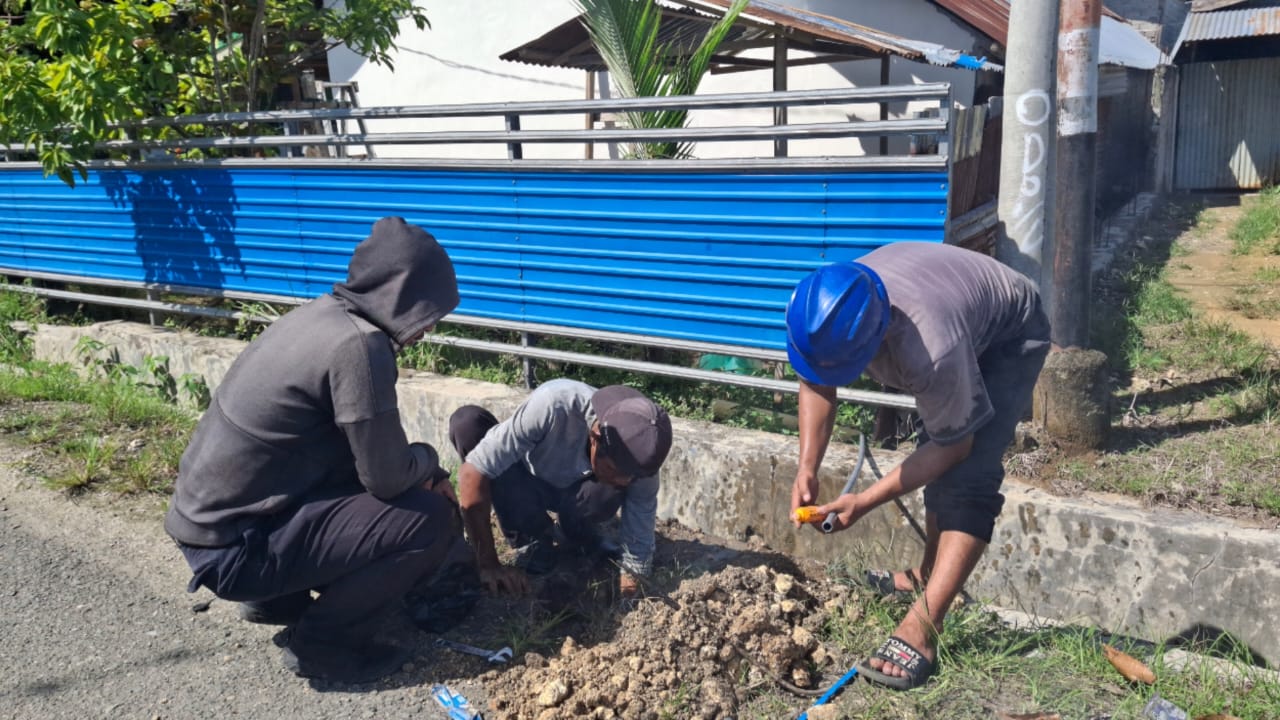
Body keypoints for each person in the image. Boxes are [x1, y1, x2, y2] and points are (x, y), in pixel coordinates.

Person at [164, 216, 466, 684]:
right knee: (425, 518)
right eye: (424, 312)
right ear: (400, 294)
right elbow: (387, 477)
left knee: (370, 488)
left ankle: (276, 600)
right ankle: (325, 649)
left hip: (209, 528)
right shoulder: (361, 347)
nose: (425, 329)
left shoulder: (317, 316)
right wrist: (431, 464)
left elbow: (355, 453)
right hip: (237, 550)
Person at [785, 241, 1050, 691]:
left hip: (1010, 334)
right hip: (956, 306)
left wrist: (864, 501)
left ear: (877, 338)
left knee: (968, 477)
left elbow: (955, 448)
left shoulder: (932, 349)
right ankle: (927, 576)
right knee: (937, 444)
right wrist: (806, 468)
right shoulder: (821, 310)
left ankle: (924, 627)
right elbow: (817, 380)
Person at [450, 379, 672, 599]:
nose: (625, 481)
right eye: (614, 470)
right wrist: (488, 564)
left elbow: (639, 539)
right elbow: (473, 472)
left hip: (577, 494)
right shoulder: (554, 404)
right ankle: (531, 539)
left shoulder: (643, 453)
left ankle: (573, 537)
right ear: (595, 439)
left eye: (631, 477)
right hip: (526, 480)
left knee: (607, 493)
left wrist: (631, 596)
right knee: (467, 423)